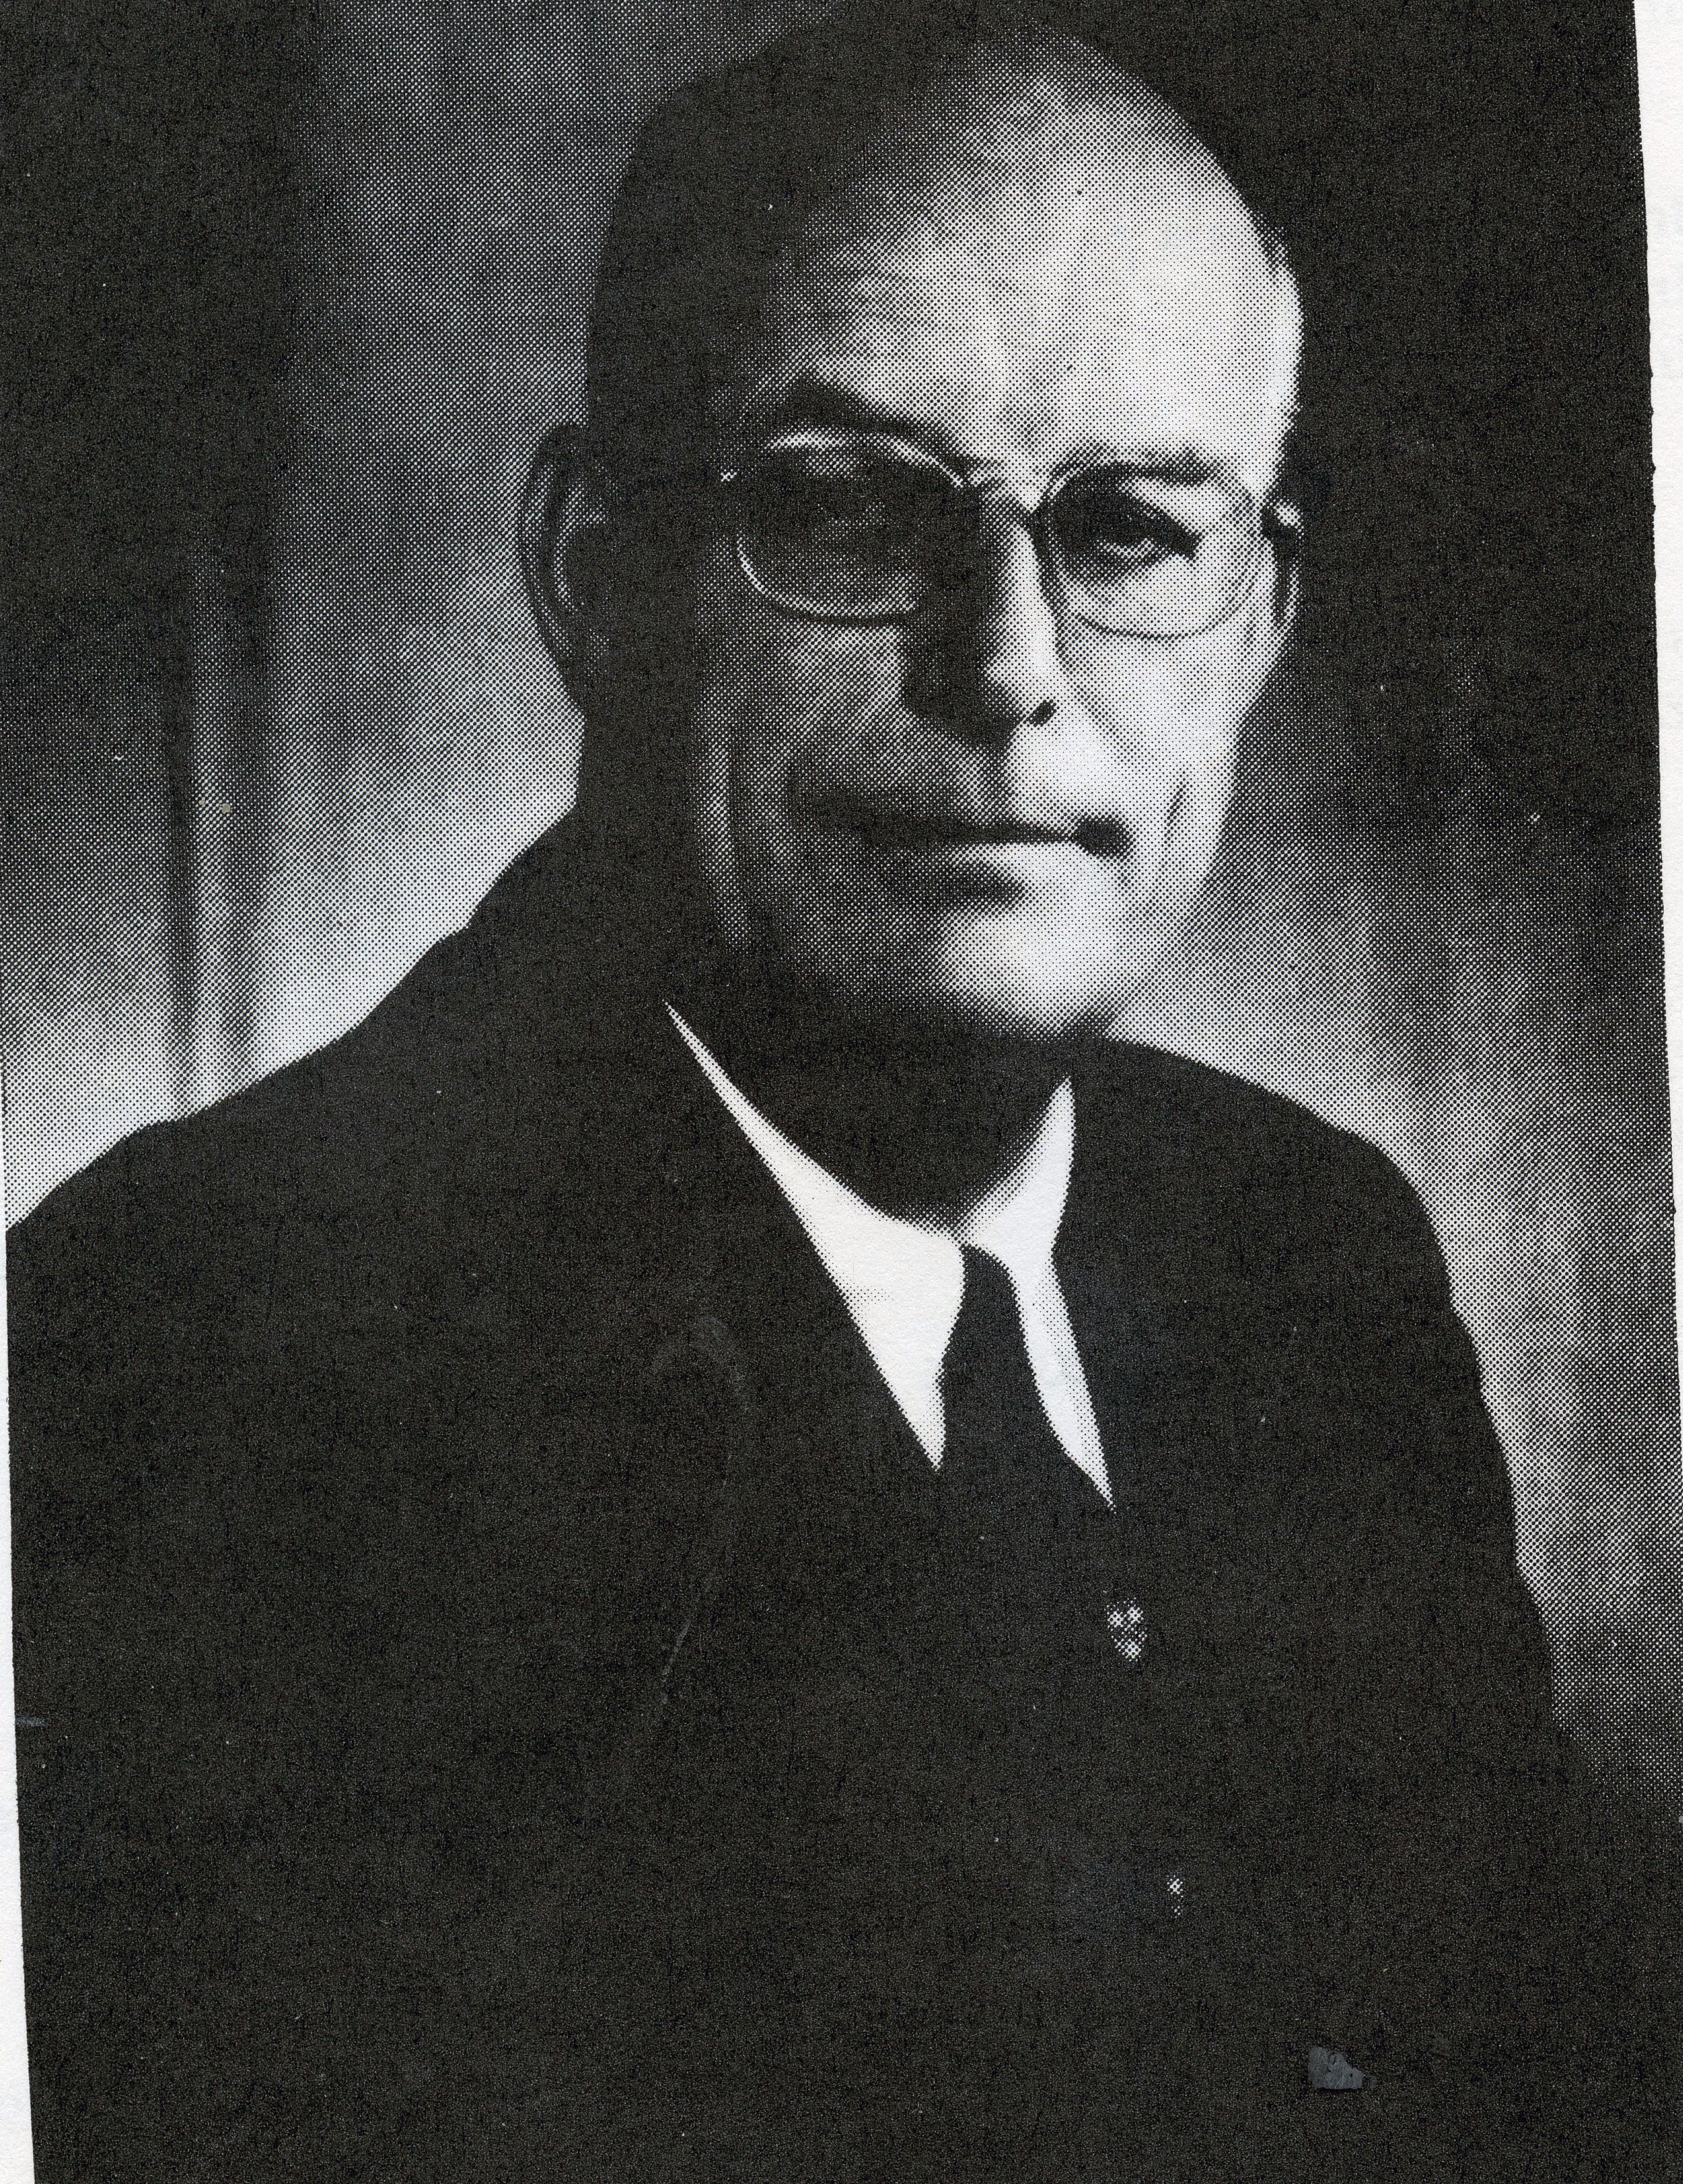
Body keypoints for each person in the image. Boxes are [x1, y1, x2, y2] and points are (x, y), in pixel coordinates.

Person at [8, 9, 1673, 2180]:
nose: (1008, 667)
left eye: (1131, 530)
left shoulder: (1313, 1262)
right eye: (850, 505)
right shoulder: (170, 1356)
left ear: (1262, 618)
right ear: (597, 574)